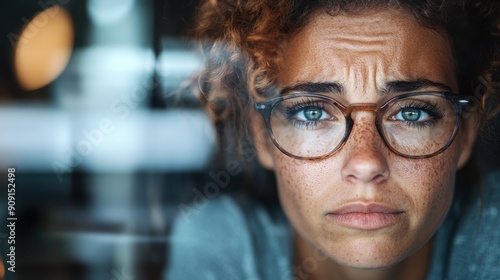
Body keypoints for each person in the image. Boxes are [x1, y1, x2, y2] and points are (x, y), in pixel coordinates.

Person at [166, 0, 500, 279]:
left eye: (412, 113)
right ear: (264, 137)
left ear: (465, 133)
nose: (366, 163)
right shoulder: (219, 246)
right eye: (312, 113)